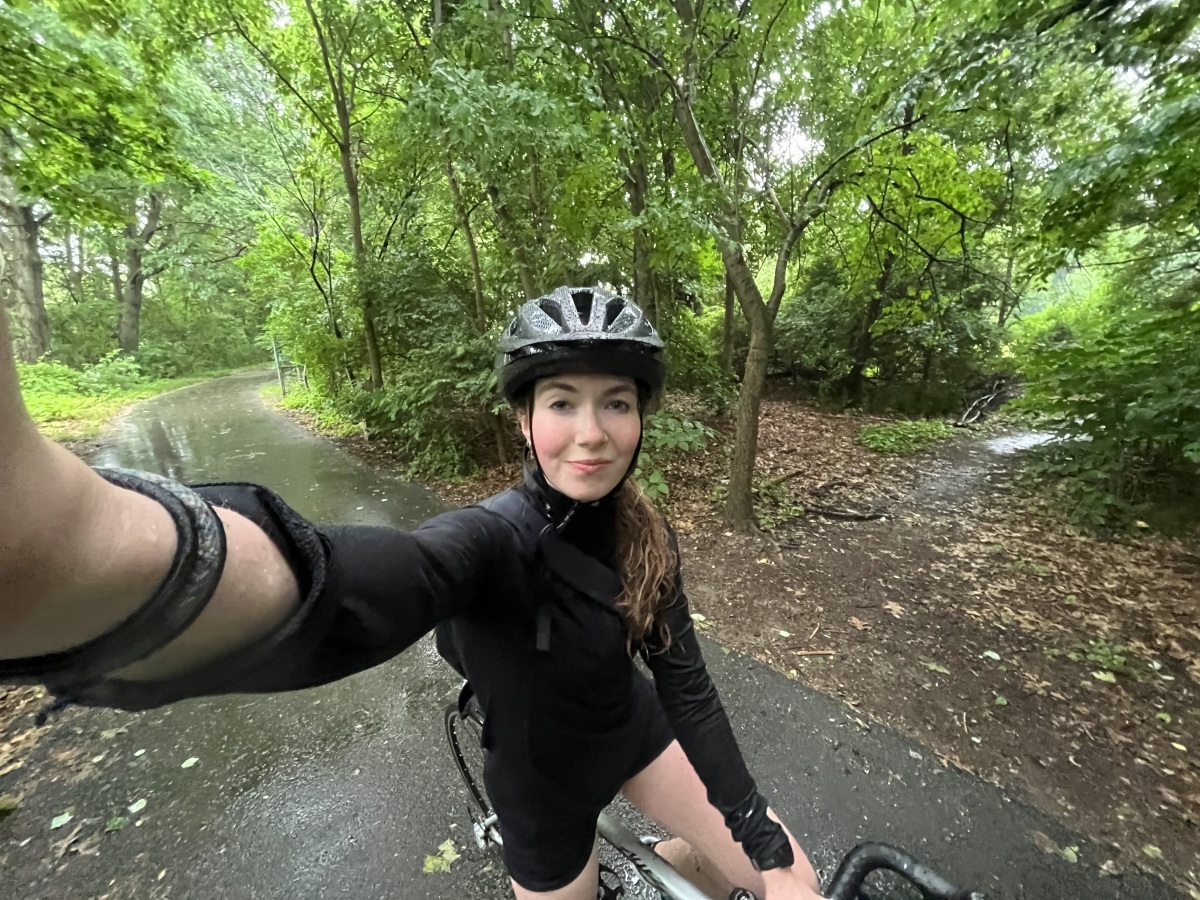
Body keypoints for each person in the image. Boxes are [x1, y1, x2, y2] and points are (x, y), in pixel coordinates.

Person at [0, 286, 823, 900]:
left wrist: (757, 836)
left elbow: (690, 694)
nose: (591, 432)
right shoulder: (491, 537)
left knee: (794, 882)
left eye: (616, 403)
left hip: (633, 736)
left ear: (642, 417)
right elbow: (379, 579)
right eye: (562, 402)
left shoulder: (648, 536)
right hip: (540, 790)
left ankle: (678, 862)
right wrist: (113, 557)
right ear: (523, 422)